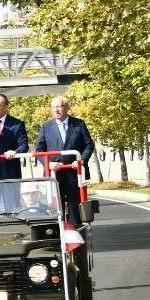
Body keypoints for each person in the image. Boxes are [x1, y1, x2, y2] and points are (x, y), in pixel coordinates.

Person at [33, 95, 95, 225]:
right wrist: (48, 164)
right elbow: (38, 151)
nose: (56, 110)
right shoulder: (46, 127)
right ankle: (59, 233)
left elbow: (89, 145)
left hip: (74, 173)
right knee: (56, 209)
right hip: (55, 174)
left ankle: (76, 232)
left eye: (59, 106)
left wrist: (81, 160)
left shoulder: (78, 124)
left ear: (67, 108)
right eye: (53, 107)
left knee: (75, 208)